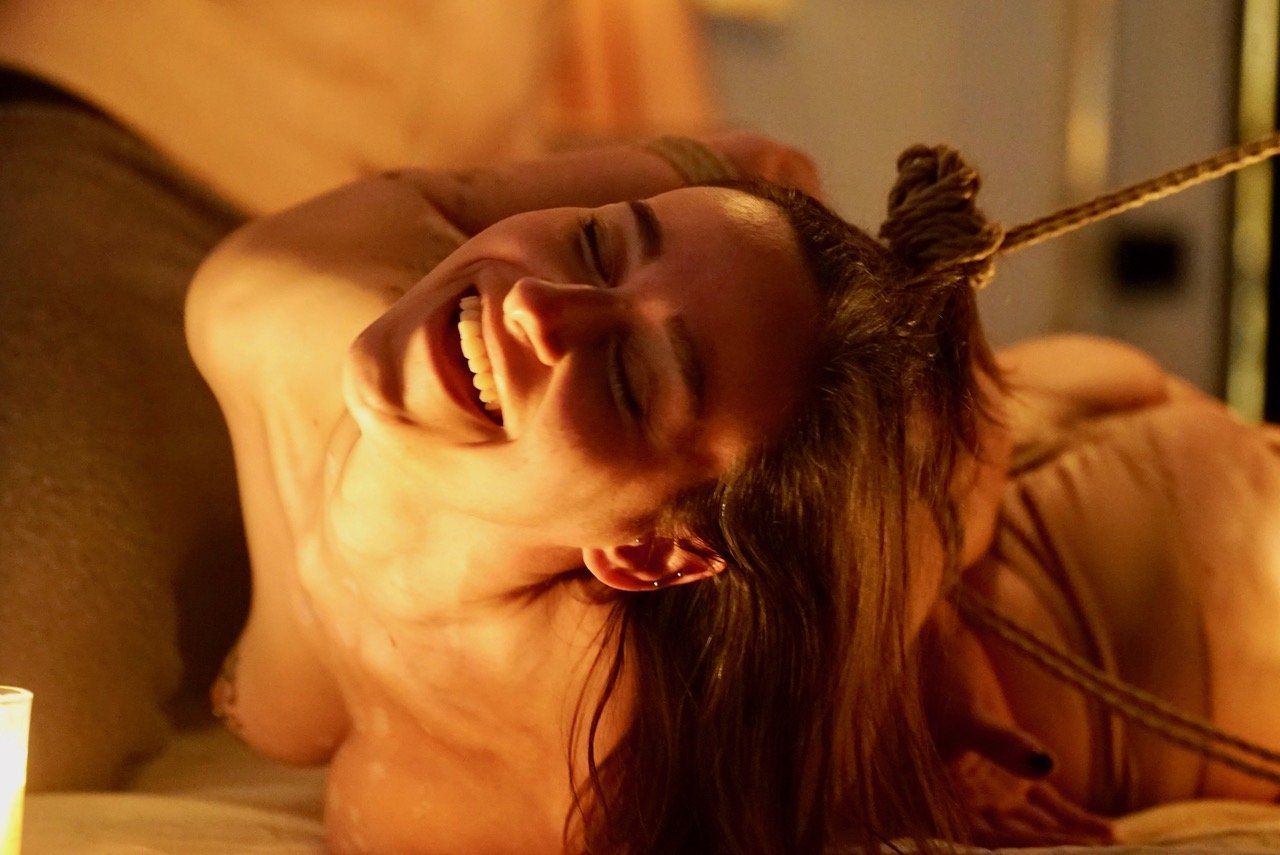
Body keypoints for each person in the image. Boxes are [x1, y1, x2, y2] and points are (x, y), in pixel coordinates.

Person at [186, 133, 1003, 854]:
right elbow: (764, 164)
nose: (534, 305)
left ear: (650, 552)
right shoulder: (265, 294)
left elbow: (958, 493)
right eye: (593, 243)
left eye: (627, 382)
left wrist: (942, 646)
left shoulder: (625, 773)